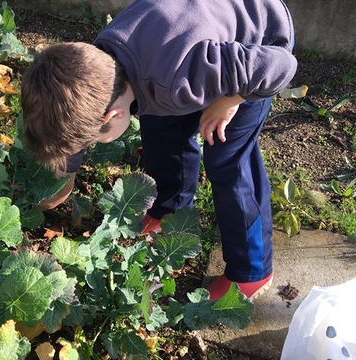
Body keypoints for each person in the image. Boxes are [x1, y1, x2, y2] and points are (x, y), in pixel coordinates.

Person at [21, 0, 298, 301]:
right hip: (194, 38)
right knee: (160, 127)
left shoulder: (187, 73)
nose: (87, 148)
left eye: (88, 144)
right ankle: (171, 209)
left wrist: (231, 98)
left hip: (258, 48)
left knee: (227, 157)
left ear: (113, 116)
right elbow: (75, 125)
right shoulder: (96, 64)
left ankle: (252, 271)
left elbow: (281, 66)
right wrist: (66, 173)